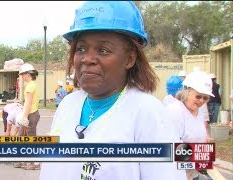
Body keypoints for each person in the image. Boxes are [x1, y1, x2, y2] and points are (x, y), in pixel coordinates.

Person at [40, 1, 185, 180]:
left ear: (129, 59)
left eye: (103, 50)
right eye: (81, 48)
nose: (87, 59)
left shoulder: (148, 113)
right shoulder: (68, 105)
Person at [167, 71, 213, 179]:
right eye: (198, 96)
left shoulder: (199, 111)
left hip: (193, 171)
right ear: (187, 92)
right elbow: (170, 148)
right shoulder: (175, 111)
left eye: (205, 98)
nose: (201, 101)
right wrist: (198, 159)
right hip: (177, 173)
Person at [13, 63, 41, 170]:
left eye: (22, 74)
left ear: (28, 74)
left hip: (30, 114)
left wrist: (24, 117)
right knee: (22, 137)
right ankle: (23, 161)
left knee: (30, 139)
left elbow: (28, 103)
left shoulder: (30, 86)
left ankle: (32, 163)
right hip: (31, 114)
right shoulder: (33, 84)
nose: (22, 77)